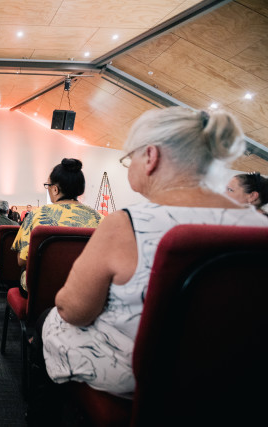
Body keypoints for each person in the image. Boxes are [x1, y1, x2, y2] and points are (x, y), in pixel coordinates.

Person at [35, 108, 268, 410]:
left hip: (148, 375)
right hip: (238, 373)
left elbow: (75, 311)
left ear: (151, 156)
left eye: (128, 158)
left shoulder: (126, 224)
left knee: (50, 318)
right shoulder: (260, 226)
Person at [12, 158, 102, 293]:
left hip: (43, 289)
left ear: (55, 189)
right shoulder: (100, 219)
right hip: (86, 290)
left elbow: (22, 260)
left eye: (47, 185)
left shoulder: (36, 215)